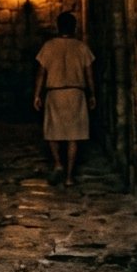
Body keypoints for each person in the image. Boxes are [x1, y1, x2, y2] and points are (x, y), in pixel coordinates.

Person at [33, 11, 95, 186]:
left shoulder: (49, 46)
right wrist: (92, 94)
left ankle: (58, 163)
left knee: (52, 131)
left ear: (58, 27)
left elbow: (41, 73)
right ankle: (69, 176)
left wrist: (37, 94)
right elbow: (89, 74)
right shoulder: (82, 48)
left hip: (55, 94)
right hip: (76, 94)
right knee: (73, 136)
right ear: (74, 27)